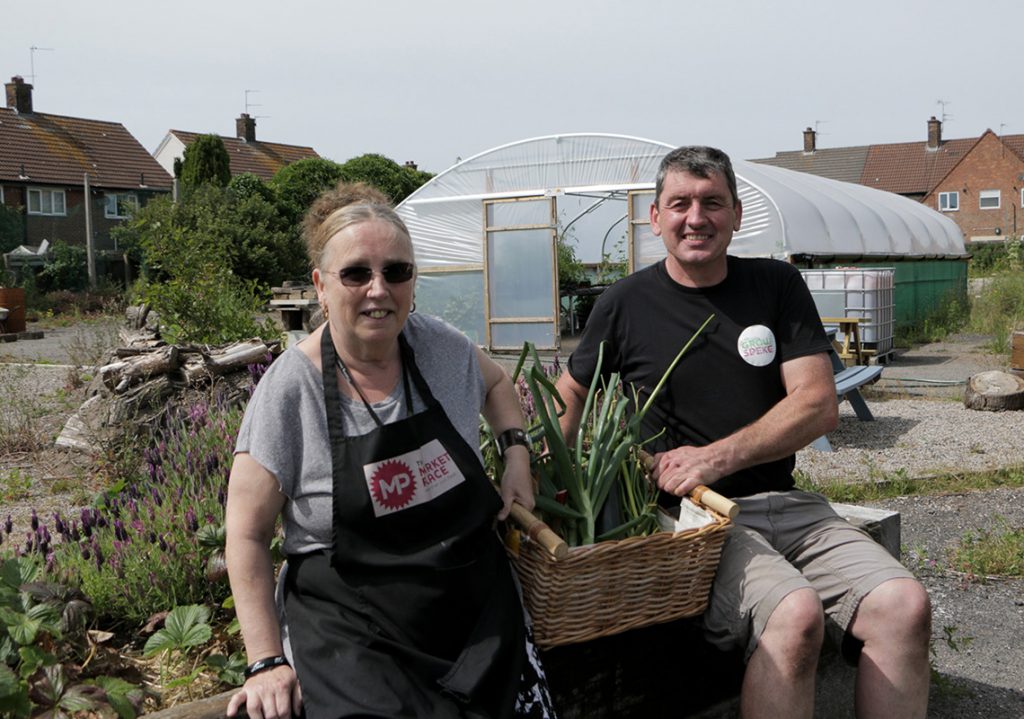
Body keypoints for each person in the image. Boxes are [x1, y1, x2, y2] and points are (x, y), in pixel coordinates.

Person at [554, 147, 932, 718]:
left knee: (904, 604)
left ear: (736, 214)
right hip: (699, 521)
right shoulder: (624, 303)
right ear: (655, 218)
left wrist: (714, 457)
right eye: (679, 204)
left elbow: (817, 404)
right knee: (795, 615)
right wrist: (534, 472)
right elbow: (569, 398)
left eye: (712, 202)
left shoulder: (775, 285)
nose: (695, 217)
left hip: (794, 507)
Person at [225, 182, 556, 719]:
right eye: (356, 273)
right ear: (321, 287)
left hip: (470, 610)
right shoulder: (291, 390)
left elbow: (498, 386)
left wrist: (516, 453)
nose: (378, 289)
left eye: (396, 272)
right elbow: (245, 531)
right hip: (353, 628)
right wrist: (265, 660)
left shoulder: (441, 347)